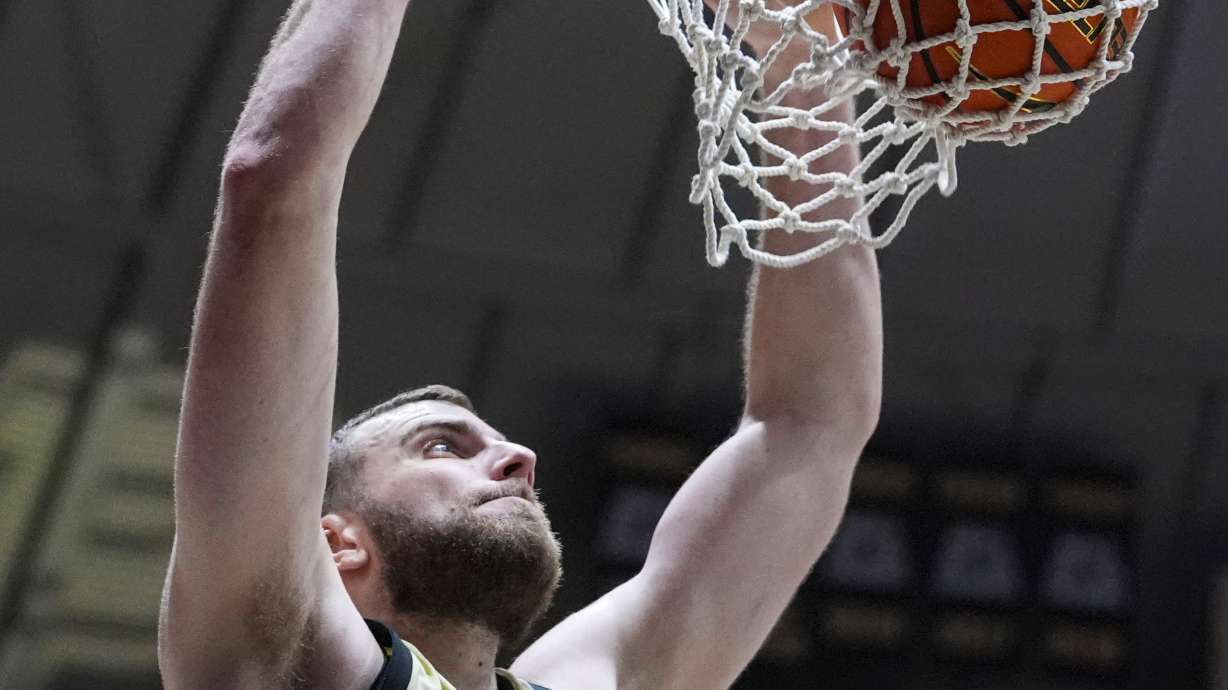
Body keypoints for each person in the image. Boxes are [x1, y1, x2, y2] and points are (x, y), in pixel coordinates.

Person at [157, 0, 883, 688]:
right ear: (337, 543)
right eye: (444, 446)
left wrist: (799, 60)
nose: (520, 459)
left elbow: (810, 423)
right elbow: (273, 184)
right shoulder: (277, 656)